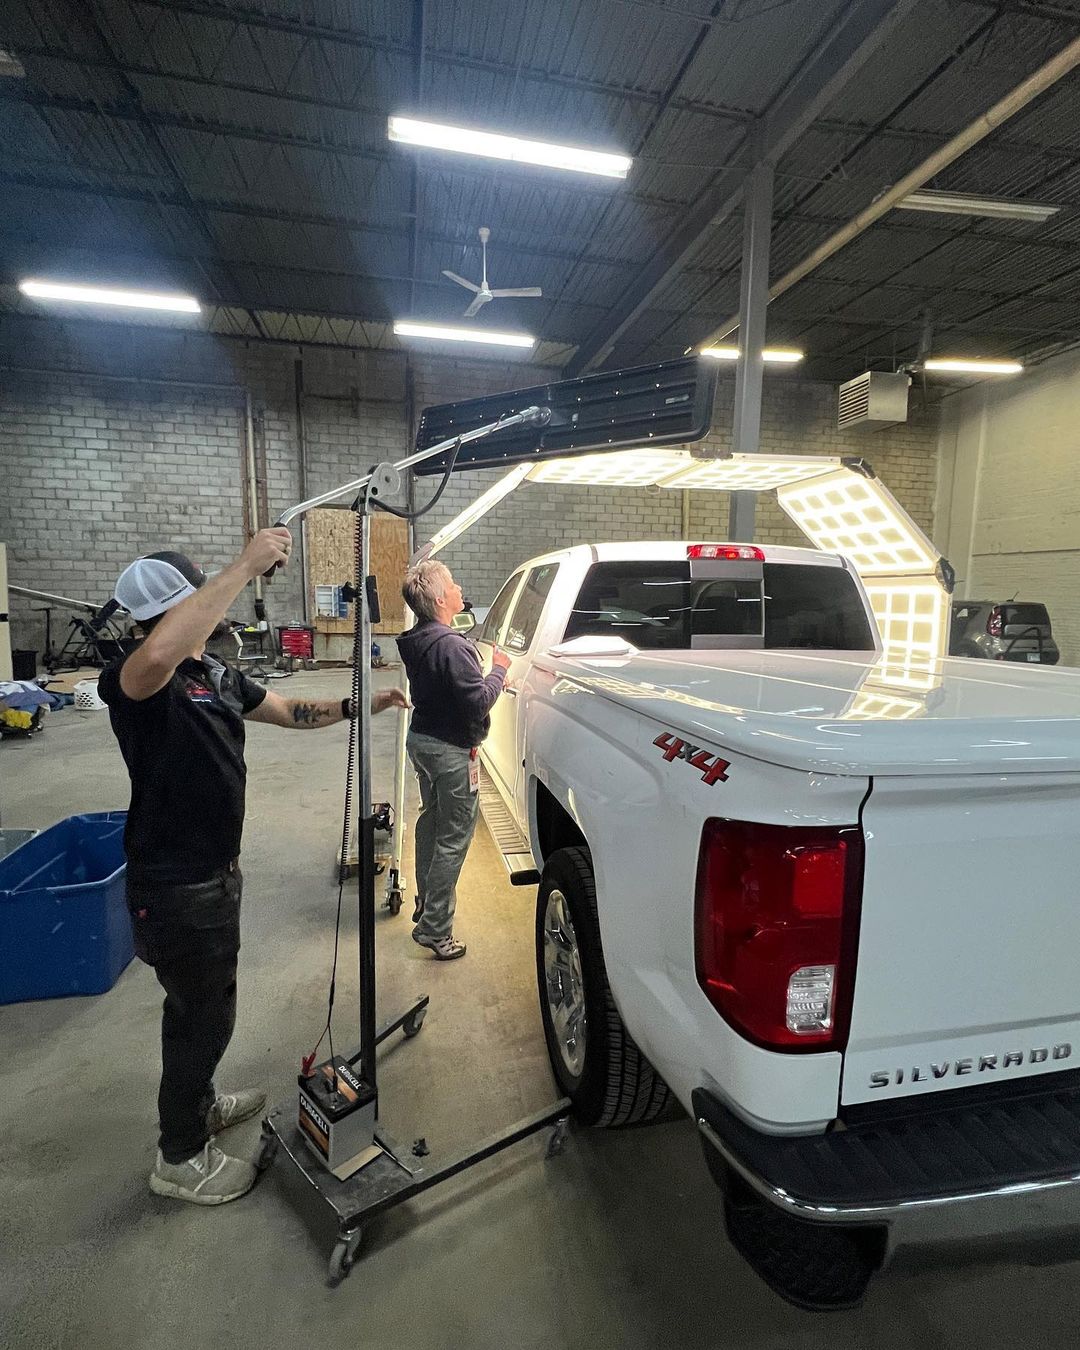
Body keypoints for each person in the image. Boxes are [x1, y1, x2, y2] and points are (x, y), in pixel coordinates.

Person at [100, 531, 406, 1207]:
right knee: (198, 1018)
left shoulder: (212, 673)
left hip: (216, 874)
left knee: (211, 1005)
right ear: (179, 606)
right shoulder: (134, 677)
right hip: (175, 883)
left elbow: (290, 711)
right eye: (202, 595)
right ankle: (179, 1158)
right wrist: (243, 566)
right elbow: (159, 653)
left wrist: (360, 704)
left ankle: (200, 1104)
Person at [397, 560, 511, 961]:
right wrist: (500, 672)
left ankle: (426, 902)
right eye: (453, 584)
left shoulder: (419, 639)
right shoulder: (453, 646)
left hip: (423, 742)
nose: (459, 587)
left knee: (432, 822)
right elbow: (477, 702)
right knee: (453, 838)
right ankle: (435, 929)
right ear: (441, 599)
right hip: (449, 751)